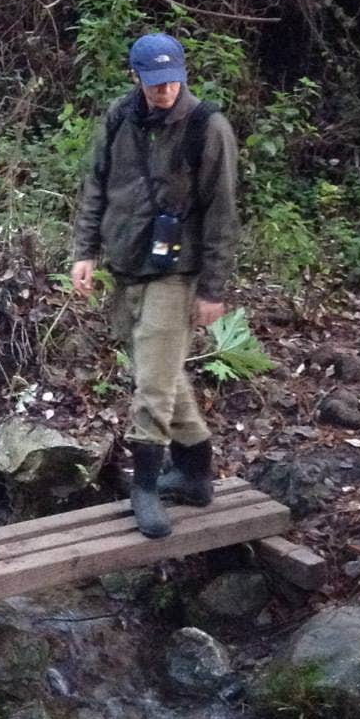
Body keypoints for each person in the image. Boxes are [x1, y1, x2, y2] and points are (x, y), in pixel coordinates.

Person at [68, 31, 239, 539]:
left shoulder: (208, 127)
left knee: (151, 386)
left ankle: (143, 485)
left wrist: (213, 288)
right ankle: (195, 474)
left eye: (172, 82)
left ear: (183, 74)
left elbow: (223, 213)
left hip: (177, 272)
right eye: (154, 83)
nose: (164, 91)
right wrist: (85, 251)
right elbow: (95, 184)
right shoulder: (120, 118)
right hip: (127, 264)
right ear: (136, 77)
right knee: (160, 371)